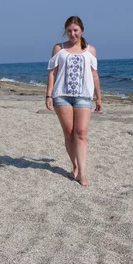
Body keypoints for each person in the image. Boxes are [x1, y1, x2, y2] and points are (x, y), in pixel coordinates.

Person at [46, 16, 102, 186]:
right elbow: (52, 73)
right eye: (69, 31)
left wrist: (99, 97)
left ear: (81, 31)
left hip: (84, 96)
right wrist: (48, 95)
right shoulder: (59, 49)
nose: (72, 34)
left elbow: (94, 75)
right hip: (61, 96)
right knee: (69, 133)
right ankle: (75, 166)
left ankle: (82, 174)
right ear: (66, 31)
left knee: (82, 133)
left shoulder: (90, 50)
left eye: (75, 30)